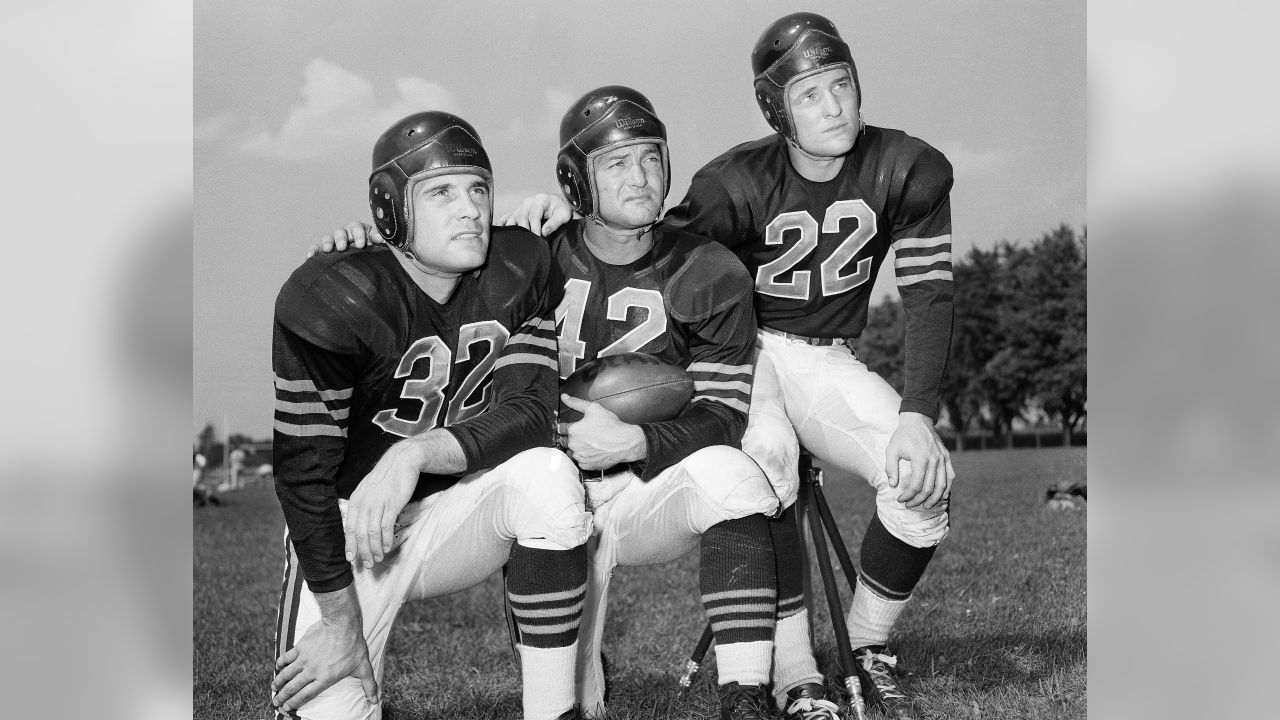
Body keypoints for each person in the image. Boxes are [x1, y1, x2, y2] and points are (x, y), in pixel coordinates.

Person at [498, 13, 957, 720]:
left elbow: (929, 297)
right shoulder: (735, 182)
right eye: (809, 94)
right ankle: (796, 674)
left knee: (924, 484)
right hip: (745, 347)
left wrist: (919, 414)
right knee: (764, 460)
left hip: (826, 357)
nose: (833, 106)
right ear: (778, 108)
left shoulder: (908, 168)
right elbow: (646, 242)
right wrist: (563, 212)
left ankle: (867, 644)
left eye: (842, 85)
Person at [311, 87, 782, 720]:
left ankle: (747, 699)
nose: (640, 177)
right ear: (575, 179)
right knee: (544, 486)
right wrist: (377, 239)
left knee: (737, 475)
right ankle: (566, 679)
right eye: (616, 163)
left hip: (639, 484)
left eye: (649, 157)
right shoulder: (527, 253)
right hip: (539, 481)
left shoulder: (710, 269)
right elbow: (432, 253)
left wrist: (637, 443)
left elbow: (723, 413)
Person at [270, 111, 591, 720]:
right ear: (392, 209)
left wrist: (414, 453)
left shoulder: (519, 265)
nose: (470, 208)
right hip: (354, 530)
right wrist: (340, 621)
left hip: (456, 509)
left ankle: (554, 711)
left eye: (478, 188)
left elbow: (528, 413)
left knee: (549, 474)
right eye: (441, 192)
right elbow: (302, 476)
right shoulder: (332, 294)